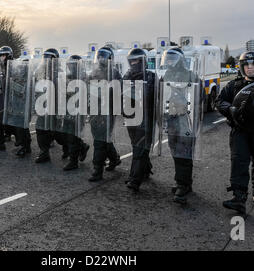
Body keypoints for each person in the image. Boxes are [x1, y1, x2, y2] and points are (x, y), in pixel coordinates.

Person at [216, 51, 254, 214]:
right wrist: (229, 109)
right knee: (239, 162)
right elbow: (219, 101)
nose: (250, 68)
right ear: (242, 67)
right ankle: (239, 197)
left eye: (253, 64)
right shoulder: (234, 85)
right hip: (240, 130)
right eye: (246, 65)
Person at [160, 48, 203, 203]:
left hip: (185, 120)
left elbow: (199, 97)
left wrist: (183, 104)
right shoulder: (167, 75)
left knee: (183, 152)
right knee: (175, 151)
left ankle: (182, 185)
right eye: (168, 58)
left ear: (180, 59)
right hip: (171, 119)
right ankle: (185, 182)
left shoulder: (191, 75)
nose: (170, 61)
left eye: (172, 58)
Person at [123, 48, 156, 191]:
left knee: (140, 148)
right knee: (137, 146)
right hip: (131, 117)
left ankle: (134, 179)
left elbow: (153, 97)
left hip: (145, 117)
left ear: (143, 61)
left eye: (137, 60)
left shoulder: (150, 77)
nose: (134, 63)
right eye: (132, 61)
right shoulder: (127, 76)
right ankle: (146, 169)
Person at [87, 46, 122, 182]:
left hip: (108, 110)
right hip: (95, 110)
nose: (101, 59)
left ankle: (97, 169)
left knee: (99, 141)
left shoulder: (114, 73)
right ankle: (114, 158)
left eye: (104, 56)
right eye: (99, 56)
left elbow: (117, 92)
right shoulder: (93, 73)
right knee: (101, 138)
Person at [34, 48, 70, 163]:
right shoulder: (40, 72)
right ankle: (44, 153)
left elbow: (64, 92)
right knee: (40, 129)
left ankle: (76, 147)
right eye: (45, 58)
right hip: (43, 106)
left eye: (48, 58)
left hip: (55, 107)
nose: (46, 60)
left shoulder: (60, 73)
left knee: (58, 134)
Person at [56, 54, 90, 171]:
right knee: (63, 135)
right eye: (69, 65)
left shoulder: (84, 77)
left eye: (73, 65)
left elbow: (85, 94)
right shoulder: (67, 77)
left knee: (72, 136)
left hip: (78, 110)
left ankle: (73, 161)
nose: (70, 67)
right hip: (67, 109)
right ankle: (82, 147)